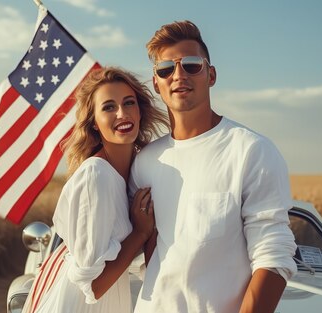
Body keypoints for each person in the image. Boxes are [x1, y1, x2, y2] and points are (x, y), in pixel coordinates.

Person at [129, 20, 298, 313]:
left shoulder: (251, 151)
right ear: (156, 83)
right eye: (166, 69)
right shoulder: (145, 161)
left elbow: (273, 256)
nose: (178, 75)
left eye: (192, 65)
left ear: (211, 75)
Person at [22, 67, 169, 313]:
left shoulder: (135, 173)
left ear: (139, 111)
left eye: (129, 103)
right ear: (94, 123)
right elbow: (93, 285)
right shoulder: (96, 176)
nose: (122, 113)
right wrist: (140, 234)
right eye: (109, 107)